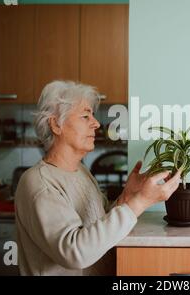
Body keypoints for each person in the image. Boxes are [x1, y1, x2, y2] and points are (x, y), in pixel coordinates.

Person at [15, 80, 181, 276]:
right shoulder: (39, 183)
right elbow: (74, 253)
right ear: (55, 125)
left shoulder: (81, 172)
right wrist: (141, 202)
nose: (96, 123)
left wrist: (127, 197)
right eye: (85, 116)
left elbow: (98, 226)